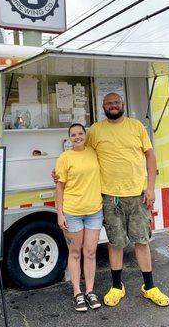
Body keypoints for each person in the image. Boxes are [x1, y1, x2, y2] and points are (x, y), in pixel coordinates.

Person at [86, 92, 169, 307]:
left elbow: (150, 156)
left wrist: (150, 188)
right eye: (109, 104)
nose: (113, 106)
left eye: (116, 102)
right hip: (110, 197)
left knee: (142, 241)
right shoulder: (95, 130)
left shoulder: (137, 127)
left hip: (137, 196)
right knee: (115, 243)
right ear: (103, 107)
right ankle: (116, 286)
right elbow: (84, 157)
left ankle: (149, 287)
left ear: (122, 104)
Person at [55, 123, 102, 312]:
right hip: (72, 212)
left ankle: (90, 291)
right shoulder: (64, 158)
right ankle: (77, 292)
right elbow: (59, 186)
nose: (77, 137)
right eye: (73, 135)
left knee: (90, 253)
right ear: (69, 138)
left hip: (94, 212)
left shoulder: (93, 152)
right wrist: (60, 213)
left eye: (80, 133)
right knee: (74, 253)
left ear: (85, 135)